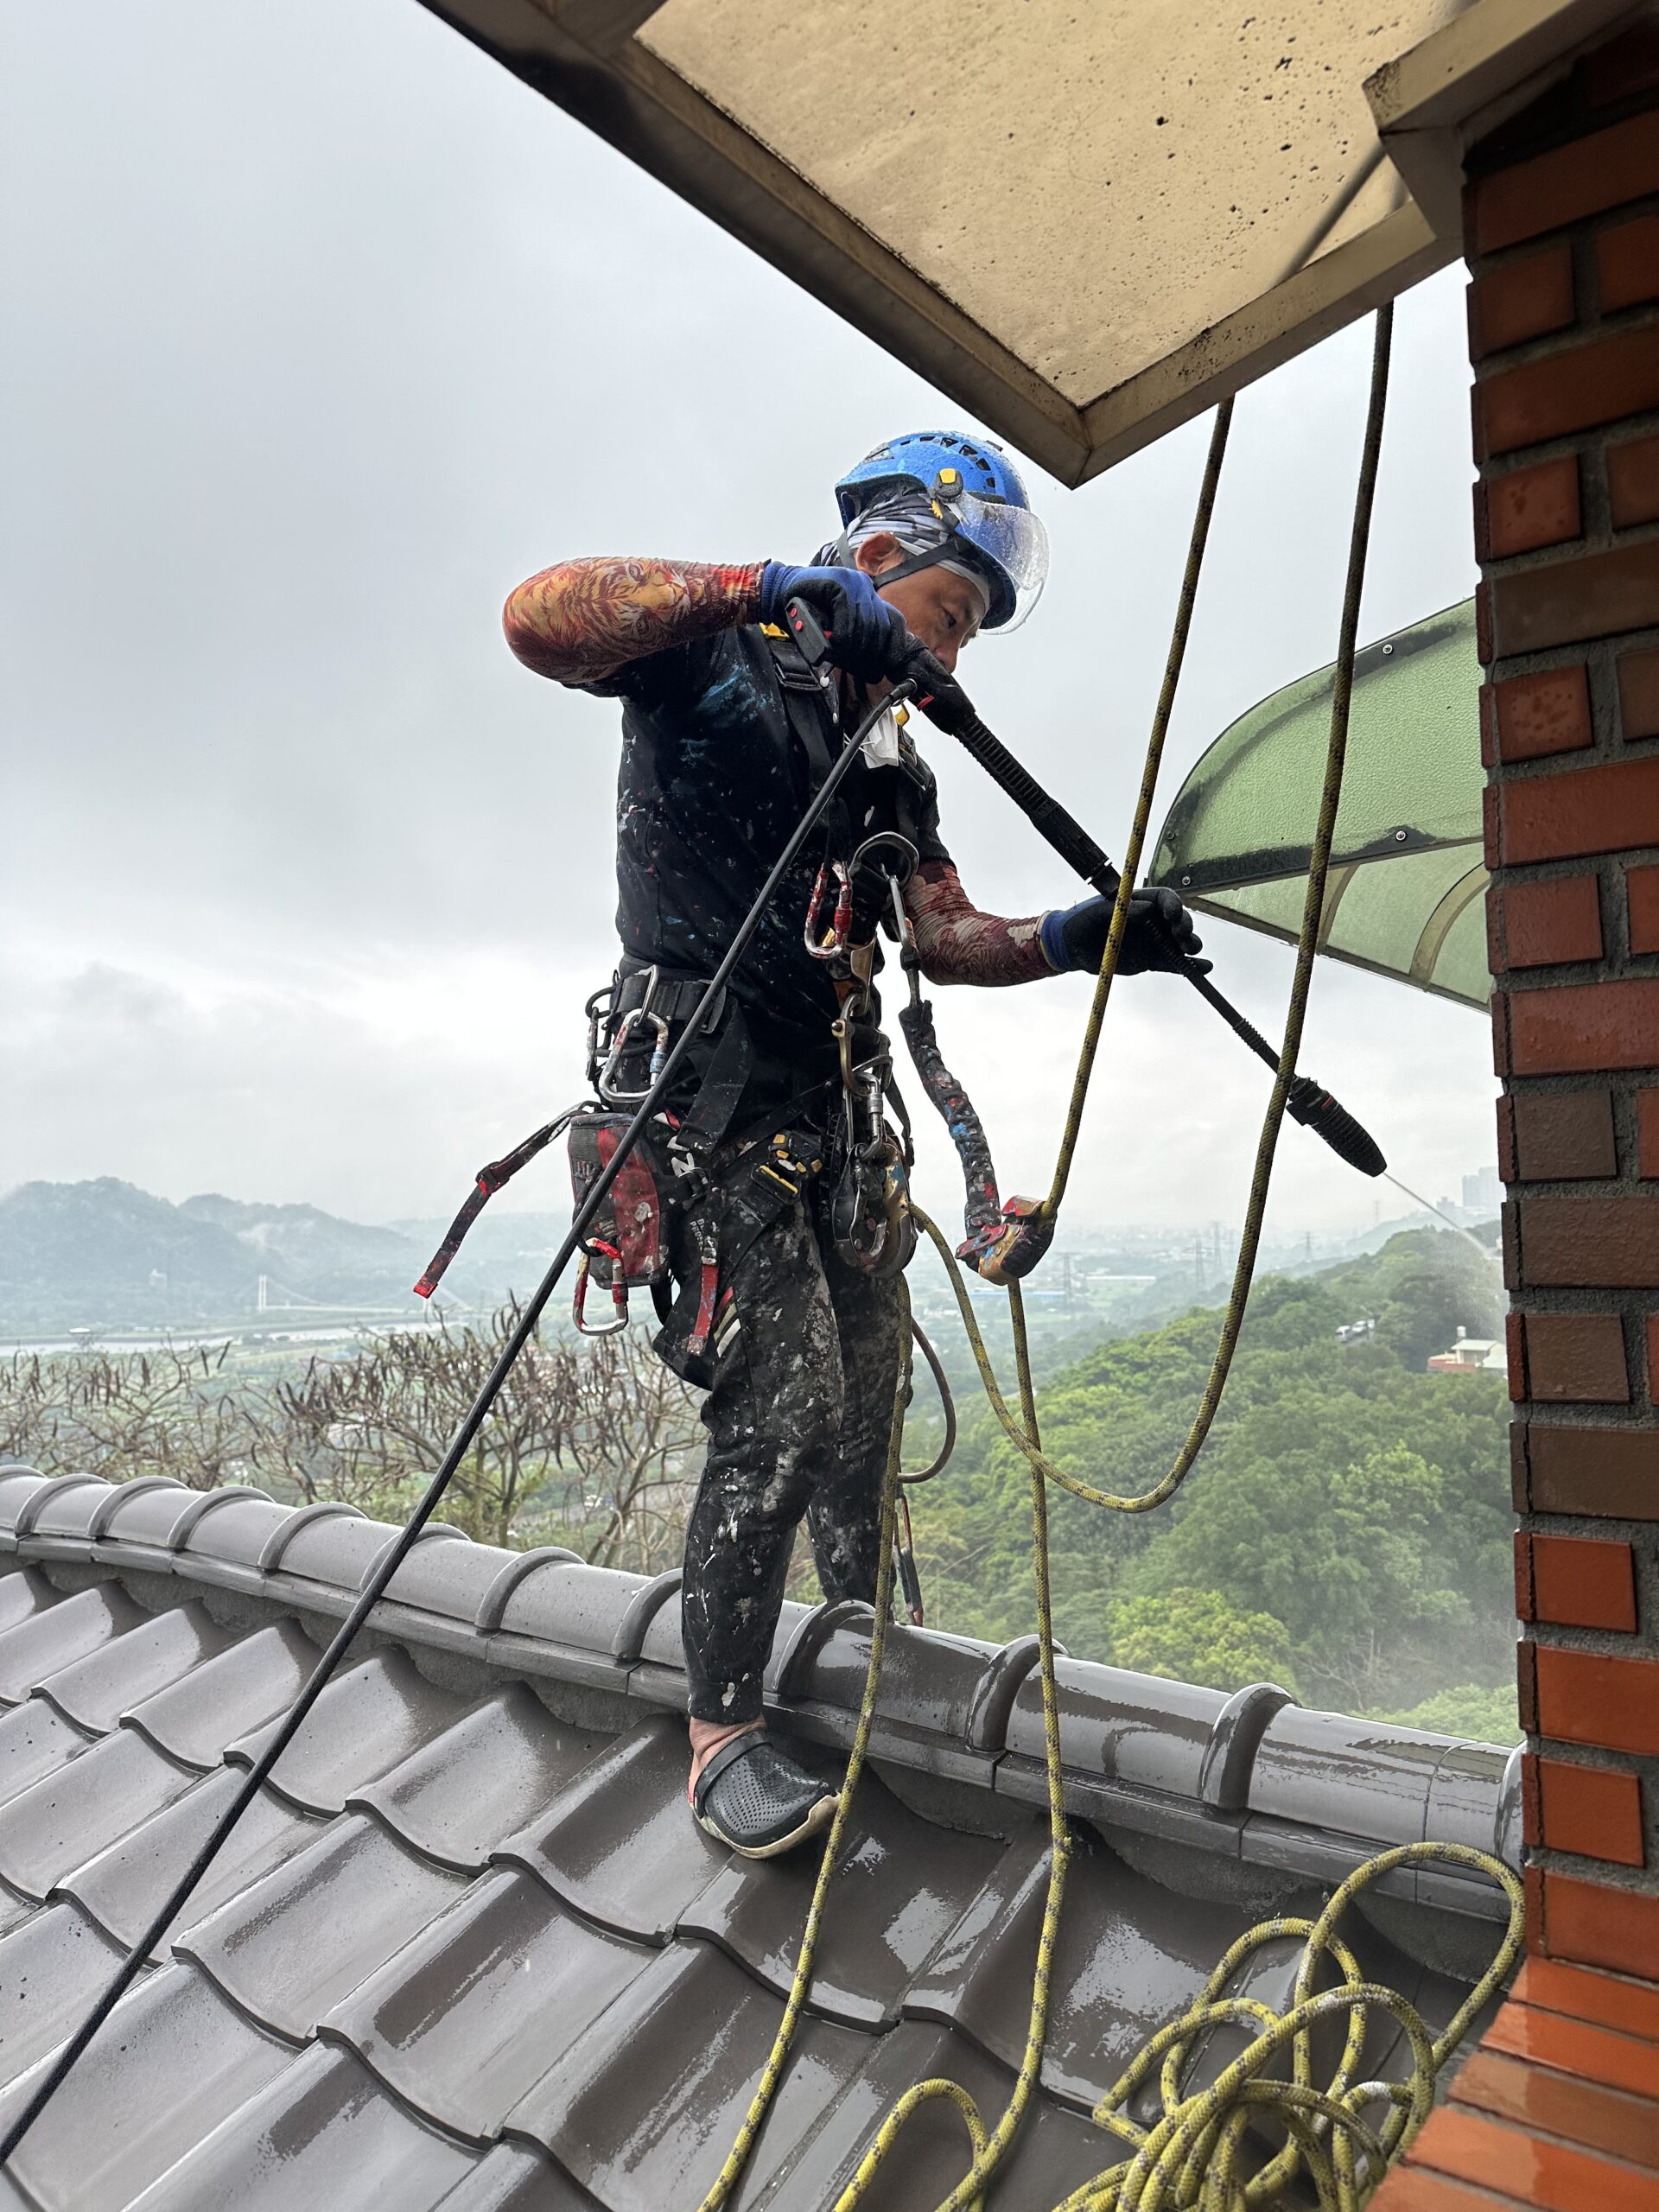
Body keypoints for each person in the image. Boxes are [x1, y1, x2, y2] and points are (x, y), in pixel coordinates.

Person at [503, 432, 1203, 1858]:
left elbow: (942, 935)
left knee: (868, 1399)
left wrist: (1079, 939)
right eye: (949, 618)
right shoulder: (714, 664)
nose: (950, 656)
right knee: (784, 1410)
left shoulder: (889, 762)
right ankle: (724, 1737)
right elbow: (541, 613)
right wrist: (769, 586)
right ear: (878, 562)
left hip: (830, 1116)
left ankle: (869, 1642)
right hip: (702, 1103)